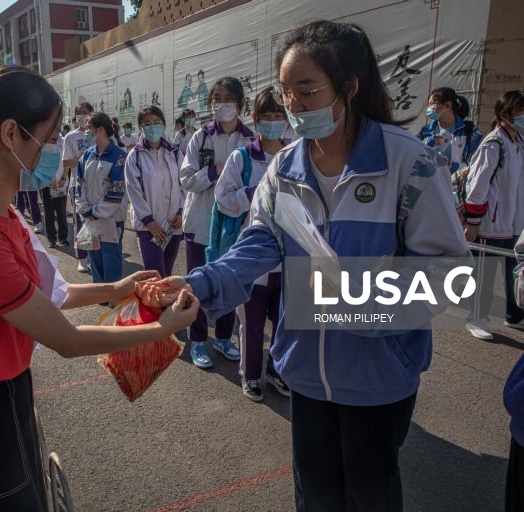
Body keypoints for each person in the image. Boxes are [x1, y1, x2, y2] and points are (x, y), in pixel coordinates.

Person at [152, 20, 468, 511]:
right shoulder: (286, 168)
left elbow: (449, 274)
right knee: (316, 496)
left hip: (377, 378)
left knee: (371, 494)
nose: (292, 106)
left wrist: (353, 304)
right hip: (304, 372)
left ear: (349, 87)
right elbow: (259, 242)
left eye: (306, 90)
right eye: (285, 92)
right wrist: (203, 282)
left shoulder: (409, 164)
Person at [0, 66, 198, 511]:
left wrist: (118, 288)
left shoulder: (3, 217)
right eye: (52, 135)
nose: (60, 148)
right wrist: (163, 330)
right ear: (10, 134)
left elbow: (47, 297)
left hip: (7, 392)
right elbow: (66, 339)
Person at [214, 87, 289, 401]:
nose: (273, 122)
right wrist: (254, 193)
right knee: (252, 323)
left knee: (286, 322)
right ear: (255, 120)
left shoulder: (295, 155)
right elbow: (222, 200)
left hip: (289, 257)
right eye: (266, 117)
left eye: (278, 116)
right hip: (252, 258)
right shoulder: (241, 157)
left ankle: (276, 370)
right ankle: (251, 375)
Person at [180, 76, 254, 369]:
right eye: (217, 99)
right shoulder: (200, 138)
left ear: (241, 103)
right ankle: (198, 341)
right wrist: (215, 171)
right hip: (201, 224)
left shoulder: (250, 139)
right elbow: (186, 180)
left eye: (228, 98)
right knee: (197, 285)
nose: (222, 105)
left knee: (229, 285)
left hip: (235, 227)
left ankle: (224, 338)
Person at [463, 90, 524, 340]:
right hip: (490, 224)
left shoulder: (518, 141)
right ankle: (476, 318)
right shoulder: (493, 144)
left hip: (514, 224)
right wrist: (473, 223)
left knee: (514, 271)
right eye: (521, 112)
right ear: (506, 115)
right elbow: (477, 187)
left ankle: (515, 315)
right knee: (483, 276)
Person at [125, 106, 183, 278]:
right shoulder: (135, 155)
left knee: (167, 275)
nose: (153, 126)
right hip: (148, 227)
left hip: (173, 225)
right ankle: (154, 306)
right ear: (141, 128)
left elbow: (182, 184)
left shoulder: (174, 152)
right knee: (155, 276)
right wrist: (149, 221)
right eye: (147, 123)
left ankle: (165, 306)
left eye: (157, 122)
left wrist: (180, 212)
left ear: (164, 124)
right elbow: (133, 191)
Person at [76, 112, 127, 286]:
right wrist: (84, 209)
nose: (86, 132)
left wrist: (95, 212)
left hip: (112, 219)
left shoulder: (119, 156)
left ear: (101, 130)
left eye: (89, 128)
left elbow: (117, 190)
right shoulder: (87, 155)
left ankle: (114, 298)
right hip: (90, 217)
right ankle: (100, 295)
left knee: (111, 258)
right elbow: (79, 184)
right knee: (94, 255)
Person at [417, 87, 482, 175]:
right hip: (429, 184)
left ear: (448, 105)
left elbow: (478, 162)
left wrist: (455, 167)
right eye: (429, 105)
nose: (429, 109)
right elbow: (413, 154)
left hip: (456, 186)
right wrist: (430, 141)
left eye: (432, 104)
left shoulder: (470, 131)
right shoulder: (425, 131)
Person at [62, 102, 94, 273]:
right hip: (78, 185)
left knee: (96, 221)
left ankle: (95, 255)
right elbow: (66, 162)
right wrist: (82, 159)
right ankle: (82, 257)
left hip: (96, 185)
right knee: (80, 222)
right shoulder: (70, 137)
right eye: (79, 113)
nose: (82, 116)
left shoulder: (97, 134)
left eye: (86, 113)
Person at [41, 134, 69, 248]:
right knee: (49, 212)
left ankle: (63, 237)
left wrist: (63, 178)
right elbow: (39, 165)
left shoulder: (62, 141)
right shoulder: (42, 142)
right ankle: (51, 238)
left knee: (61, 212)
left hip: (61, 183)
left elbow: (66, 161)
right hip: (47, 184)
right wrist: (48, 181)